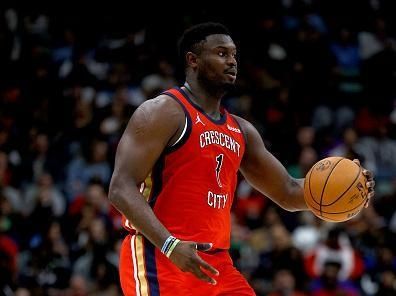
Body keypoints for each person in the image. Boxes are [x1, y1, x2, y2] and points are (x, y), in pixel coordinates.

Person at [108, 22, 375, 296]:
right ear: (193, 60)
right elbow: (120, 188)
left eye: (234, 55)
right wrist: (169, 245)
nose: (232, 61)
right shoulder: (164, 111)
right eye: (221, 53)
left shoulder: (241, 131)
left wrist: (348, 190)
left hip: (217, 264)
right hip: (160, 256)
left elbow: (288, 191)